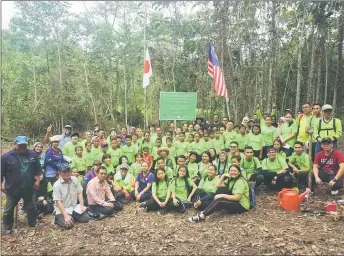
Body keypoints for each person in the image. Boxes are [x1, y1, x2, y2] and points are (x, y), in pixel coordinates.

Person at [1, 136, 41, 234]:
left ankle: (32, 222)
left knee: (31, 206)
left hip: (29, 187)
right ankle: (7, 228)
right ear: (14, 144)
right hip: (13, 189)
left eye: (24, 145)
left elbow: (38, 170)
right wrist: (1, 186)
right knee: (8, 209)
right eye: (20, 145)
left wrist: (38, 181)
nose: (22, 147)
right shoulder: (6, 157)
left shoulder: (33, 154)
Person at [53, 163, 89, 229]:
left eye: (68, 171)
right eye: (64, 172)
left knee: (86, 219)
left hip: (74, 207)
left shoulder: (75, 179)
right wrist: (66, 216)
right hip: (63, 209)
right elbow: (59, 202)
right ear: (60, 173)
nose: (67, 173)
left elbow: (79, 192)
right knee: (69, 225)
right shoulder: (57, 185)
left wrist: (81, 205)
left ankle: (72, 216)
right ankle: (58, 218)